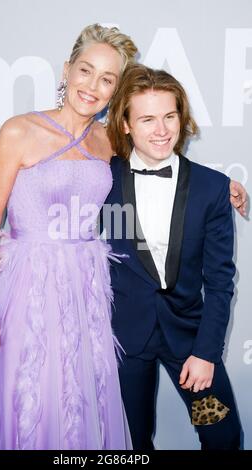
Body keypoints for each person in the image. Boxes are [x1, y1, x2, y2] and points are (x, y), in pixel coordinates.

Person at [0, 24, 138, 450]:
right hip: (26, 287)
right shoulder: (20, 131)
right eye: (86, 71)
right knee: (28, 394)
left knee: (80, 395)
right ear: (66, 70)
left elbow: (162, 158)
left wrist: (224, 187)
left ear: (116, 90)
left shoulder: (110, 139)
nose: (92, 86)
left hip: (84, 288)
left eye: (107, 79)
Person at [104, 64, 243, 450]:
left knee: (221, 436)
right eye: (147, 119)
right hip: (123, 341)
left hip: (190, 341)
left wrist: (205, 352)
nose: (162, 130)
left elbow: (219, 281)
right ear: (126, 124)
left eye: (169, 116)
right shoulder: (102, 180)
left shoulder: (211, 188)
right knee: (130, 444)